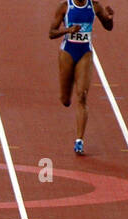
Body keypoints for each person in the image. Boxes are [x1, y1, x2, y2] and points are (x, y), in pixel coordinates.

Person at [48, 0, 114, 155]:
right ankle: (69, 82)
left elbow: (108, 27)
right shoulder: (65, 6)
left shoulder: (95, 6)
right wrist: (68, 30)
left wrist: (110, 18)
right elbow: (51, 32)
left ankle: (79, 141)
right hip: (67, 53)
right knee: (65, 100)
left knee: (82, 96)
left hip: (85, 53)